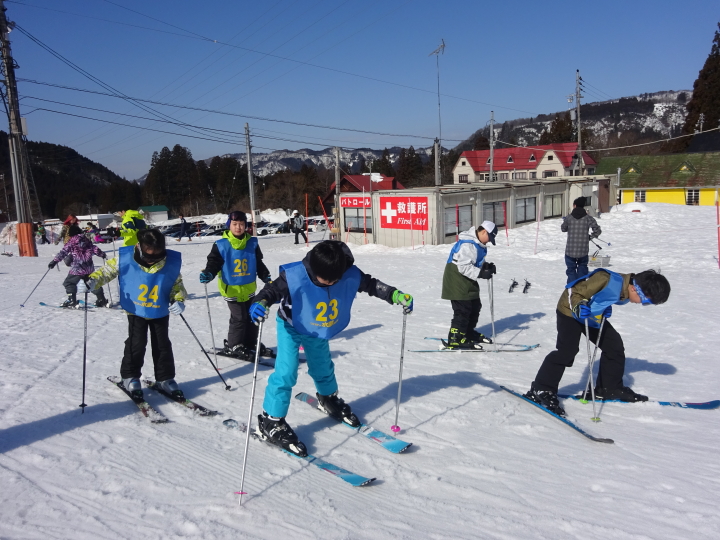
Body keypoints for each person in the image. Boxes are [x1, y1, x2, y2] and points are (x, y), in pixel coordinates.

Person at [248, 240, 414, 456]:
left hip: (317, 327)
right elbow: (271, 291)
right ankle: (271, 420)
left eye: (334, 280)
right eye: (325, 280)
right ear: (313, 269)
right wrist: (260, 302)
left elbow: (371, 285)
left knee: (322, 365)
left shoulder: (345, 272)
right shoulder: (295, 275)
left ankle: (328, 397)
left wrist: (394, 294)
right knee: (286, 371)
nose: (330, 283)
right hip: (291, 325)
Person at [525, 269, 671, 416]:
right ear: (635, 288)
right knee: (567, 351)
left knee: (614, 346)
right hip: (570, 311)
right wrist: (578, 306)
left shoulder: (626, 289)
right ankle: (542, 388)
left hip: (591, 314)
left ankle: (609, 388)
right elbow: (574, 292)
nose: (642, 304)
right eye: (645, 301)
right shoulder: (605, 279)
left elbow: (601, 295)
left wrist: (605, 307)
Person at [81, 228, 188, 401]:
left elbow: (176, 284)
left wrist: (179, 299)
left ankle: (165, 378)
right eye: (148, 256)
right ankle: (130, 376)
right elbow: (107, 271)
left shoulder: (170, 262)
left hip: (159, 309)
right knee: (136, 343)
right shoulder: (125, 259)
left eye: (157, 257)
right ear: (139, 246)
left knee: (162, 345)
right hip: (136, 310)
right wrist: (92, 281)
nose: (152, 260)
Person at [199, 210, 273, 360]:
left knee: (252, 316)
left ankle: (250, 342)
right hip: (231, 289)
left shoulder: (252, 243)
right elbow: (214, 263)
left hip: (249, 288)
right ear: (229, 225)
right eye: (234, 224)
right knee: (239, 318)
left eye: (241, 224)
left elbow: (258, 263)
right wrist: (209, 273)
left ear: (245, 225)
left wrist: (265, 275)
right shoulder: (221, 245)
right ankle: (234, 345)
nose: (238, 227)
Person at [441, 221, 498, 349]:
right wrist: (481, 273)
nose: (489, 241)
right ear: (484, 232)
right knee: (463, 309)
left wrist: (486, 267)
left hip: (466, 279)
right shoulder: (468, 245)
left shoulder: (477, 244)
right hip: (456, 278)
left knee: (475, 305)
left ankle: (467, 332)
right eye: (489, 237)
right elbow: (463, 267)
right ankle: (455, 338)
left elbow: (473, 261)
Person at [47, 224, 109, 308]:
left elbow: (63, 252)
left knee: (69, 283)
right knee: (92, 283)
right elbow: (95, 249)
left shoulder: (72, 242)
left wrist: (54, 261)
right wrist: (103, 255)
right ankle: (101, 299)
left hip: (77, 268)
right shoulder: (87, 240)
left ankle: (71, 300)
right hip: (89, 268)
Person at [562, 197, 602, 284]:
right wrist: (590, 237)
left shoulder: (569, 218)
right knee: (582, 267)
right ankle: (581, 285)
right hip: (583, 249)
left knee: (571, 269)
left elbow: (563, 229)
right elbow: (597, 230)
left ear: (574, 205)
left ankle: (572, 286)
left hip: (570, 249)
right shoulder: (588, 218)